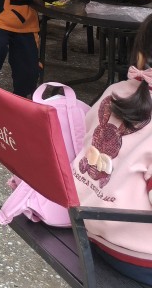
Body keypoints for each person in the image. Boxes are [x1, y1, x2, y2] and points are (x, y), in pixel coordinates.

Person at [72, 16, 152, 285]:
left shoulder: (114, 91)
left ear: (139, 55)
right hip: (135, 254)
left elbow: (83, 137)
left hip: (85, 225)